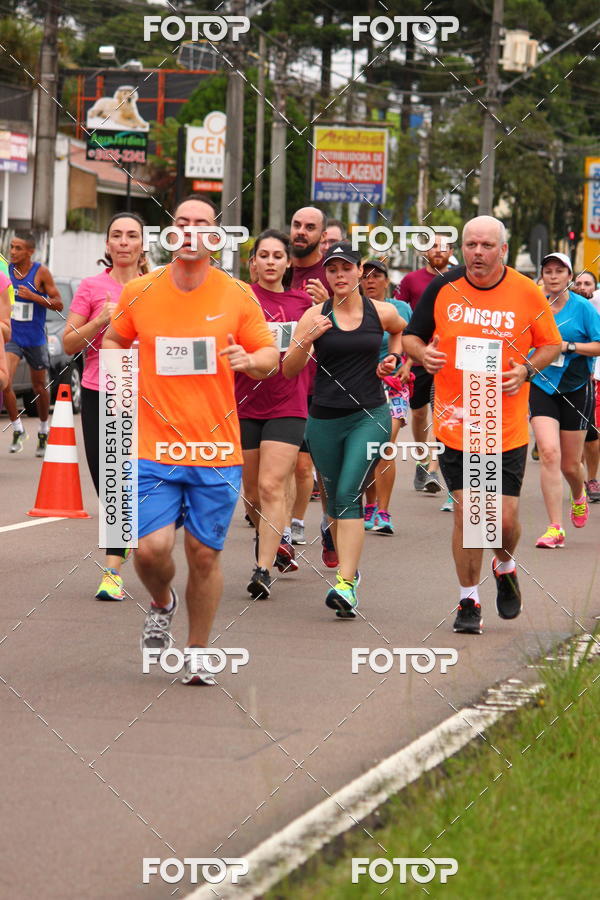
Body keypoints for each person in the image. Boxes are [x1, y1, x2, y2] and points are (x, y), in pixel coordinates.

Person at [103, 195, 279, 684]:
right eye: (182, 223)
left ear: (216, 236)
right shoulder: (141, 289)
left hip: (215, 448)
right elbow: (115, 339)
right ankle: (162, 601)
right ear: (170, 231)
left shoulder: (238, 294)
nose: (191, 232)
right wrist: (126, 365)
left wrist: (249, 363)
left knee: (204, 555)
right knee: (150, 550)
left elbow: (269, 354)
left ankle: (198, 652)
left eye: (202, 224)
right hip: (152, 446)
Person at [403, 216, 561, 635]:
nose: (477, 252)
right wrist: (424, 356)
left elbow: (550, 344)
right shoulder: (443, 288)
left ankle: (505, 564)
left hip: (505, 425)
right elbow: (411, 338)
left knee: (503, 521)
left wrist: (525, 370)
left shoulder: (527, 292)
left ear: (503, 251)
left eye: (486, 245)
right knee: (472, 515)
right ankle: (467, 600)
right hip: (456, 423)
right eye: (470, 244)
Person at [283, 242, 406, 617]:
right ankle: (347, 569)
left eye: (346, 268)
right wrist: (307, 338)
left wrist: (393, 359)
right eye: (332, 269)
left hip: (370, 415)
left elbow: (401, 333)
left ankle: (346, 583)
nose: (339, 275)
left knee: (350, 491)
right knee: (336, 499)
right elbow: (289, 369)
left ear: (359, 272)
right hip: (323, 419)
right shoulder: (313, 316)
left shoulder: (381, 312)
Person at [63, 212, 147, 601]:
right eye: (118, 235)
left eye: (132, 235)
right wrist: (99, 320)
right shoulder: (92, 287)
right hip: (104, 387)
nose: (125, 242)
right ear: (108, 244)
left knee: (142, 478)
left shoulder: (158, 286)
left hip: (150, 392)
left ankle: (116, 563)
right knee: (109, 481)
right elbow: (68, 344)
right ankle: (120, 550)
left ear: (143, 244)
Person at [236, 229, 312, 599]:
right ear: (253, 263)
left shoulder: (304, 305)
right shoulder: (240, 298)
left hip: (288, 404)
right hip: (245, 403)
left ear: (287, 263)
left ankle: (262, 568)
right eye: (263, 255)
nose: (270, 262)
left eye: (277, 256)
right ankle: (265, 530)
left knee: (271, 485)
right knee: (251, 492)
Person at [530, 253, 600, 548]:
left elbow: (598, 346)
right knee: (548, 452)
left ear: (569, 276)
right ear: (542, 275)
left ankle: (579, 493)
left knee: (571, 465)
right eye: (548, 271)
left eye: (560, 271)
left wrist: (568, 345)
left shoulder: (583, 308)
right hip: (541, 385)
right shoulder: (533, 306)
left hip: (575, 387)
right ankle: (554, 527)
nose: (554, 275)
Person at [289, 205, 338, 564]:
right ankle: (281, 529)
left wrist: (328, 307)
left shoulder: (333, 274)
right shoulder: (278, 265)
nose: (301, 232)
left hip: (324, 384)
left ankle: (318, 523)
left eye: (309, 227)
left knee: (317, 467)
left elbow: (359, 321)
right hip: (283, 382)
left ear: (323, 236)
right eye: (296, 225)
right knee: (281, 470)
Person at [395, 234, 454, 494]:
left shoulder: (457, 280)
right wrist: (406, 361)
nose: (438, 251)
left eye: (444, 247)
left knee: (440, 413)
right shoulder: (411, 281)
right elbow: (402, 322)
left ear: (452, 251)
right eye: (433, 246)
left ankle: (432, 469)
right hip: (418, 355)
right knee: (419, 413)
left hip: (446, 358)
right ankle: (422, 459)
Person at [360, 258, 412, 535]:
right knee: (367, 449)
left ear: (386, 280)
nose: (370, 280)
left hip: (394, 386)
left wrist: (408, 364)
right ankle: (369, 505)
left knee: (385, 446)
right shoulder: (353, 309)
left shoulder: (401, 308)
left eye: (376, 275)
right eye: (365, 275)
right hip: (360, 386)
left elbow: (416, 339)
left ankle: (384, 510)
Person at [4, 232, 63, 456]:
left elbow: (58, 303)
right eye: (11, 247)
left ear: (30, 251)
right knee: (5, 381)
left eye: (18, 248)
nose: (13, 252)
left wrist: (34, 296)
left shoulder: (41, 272)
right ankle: (18, 428)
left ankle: (43, 429)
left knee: (39, 386)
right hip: (13, 337)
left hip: (36, 338)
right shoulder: (6, 271)